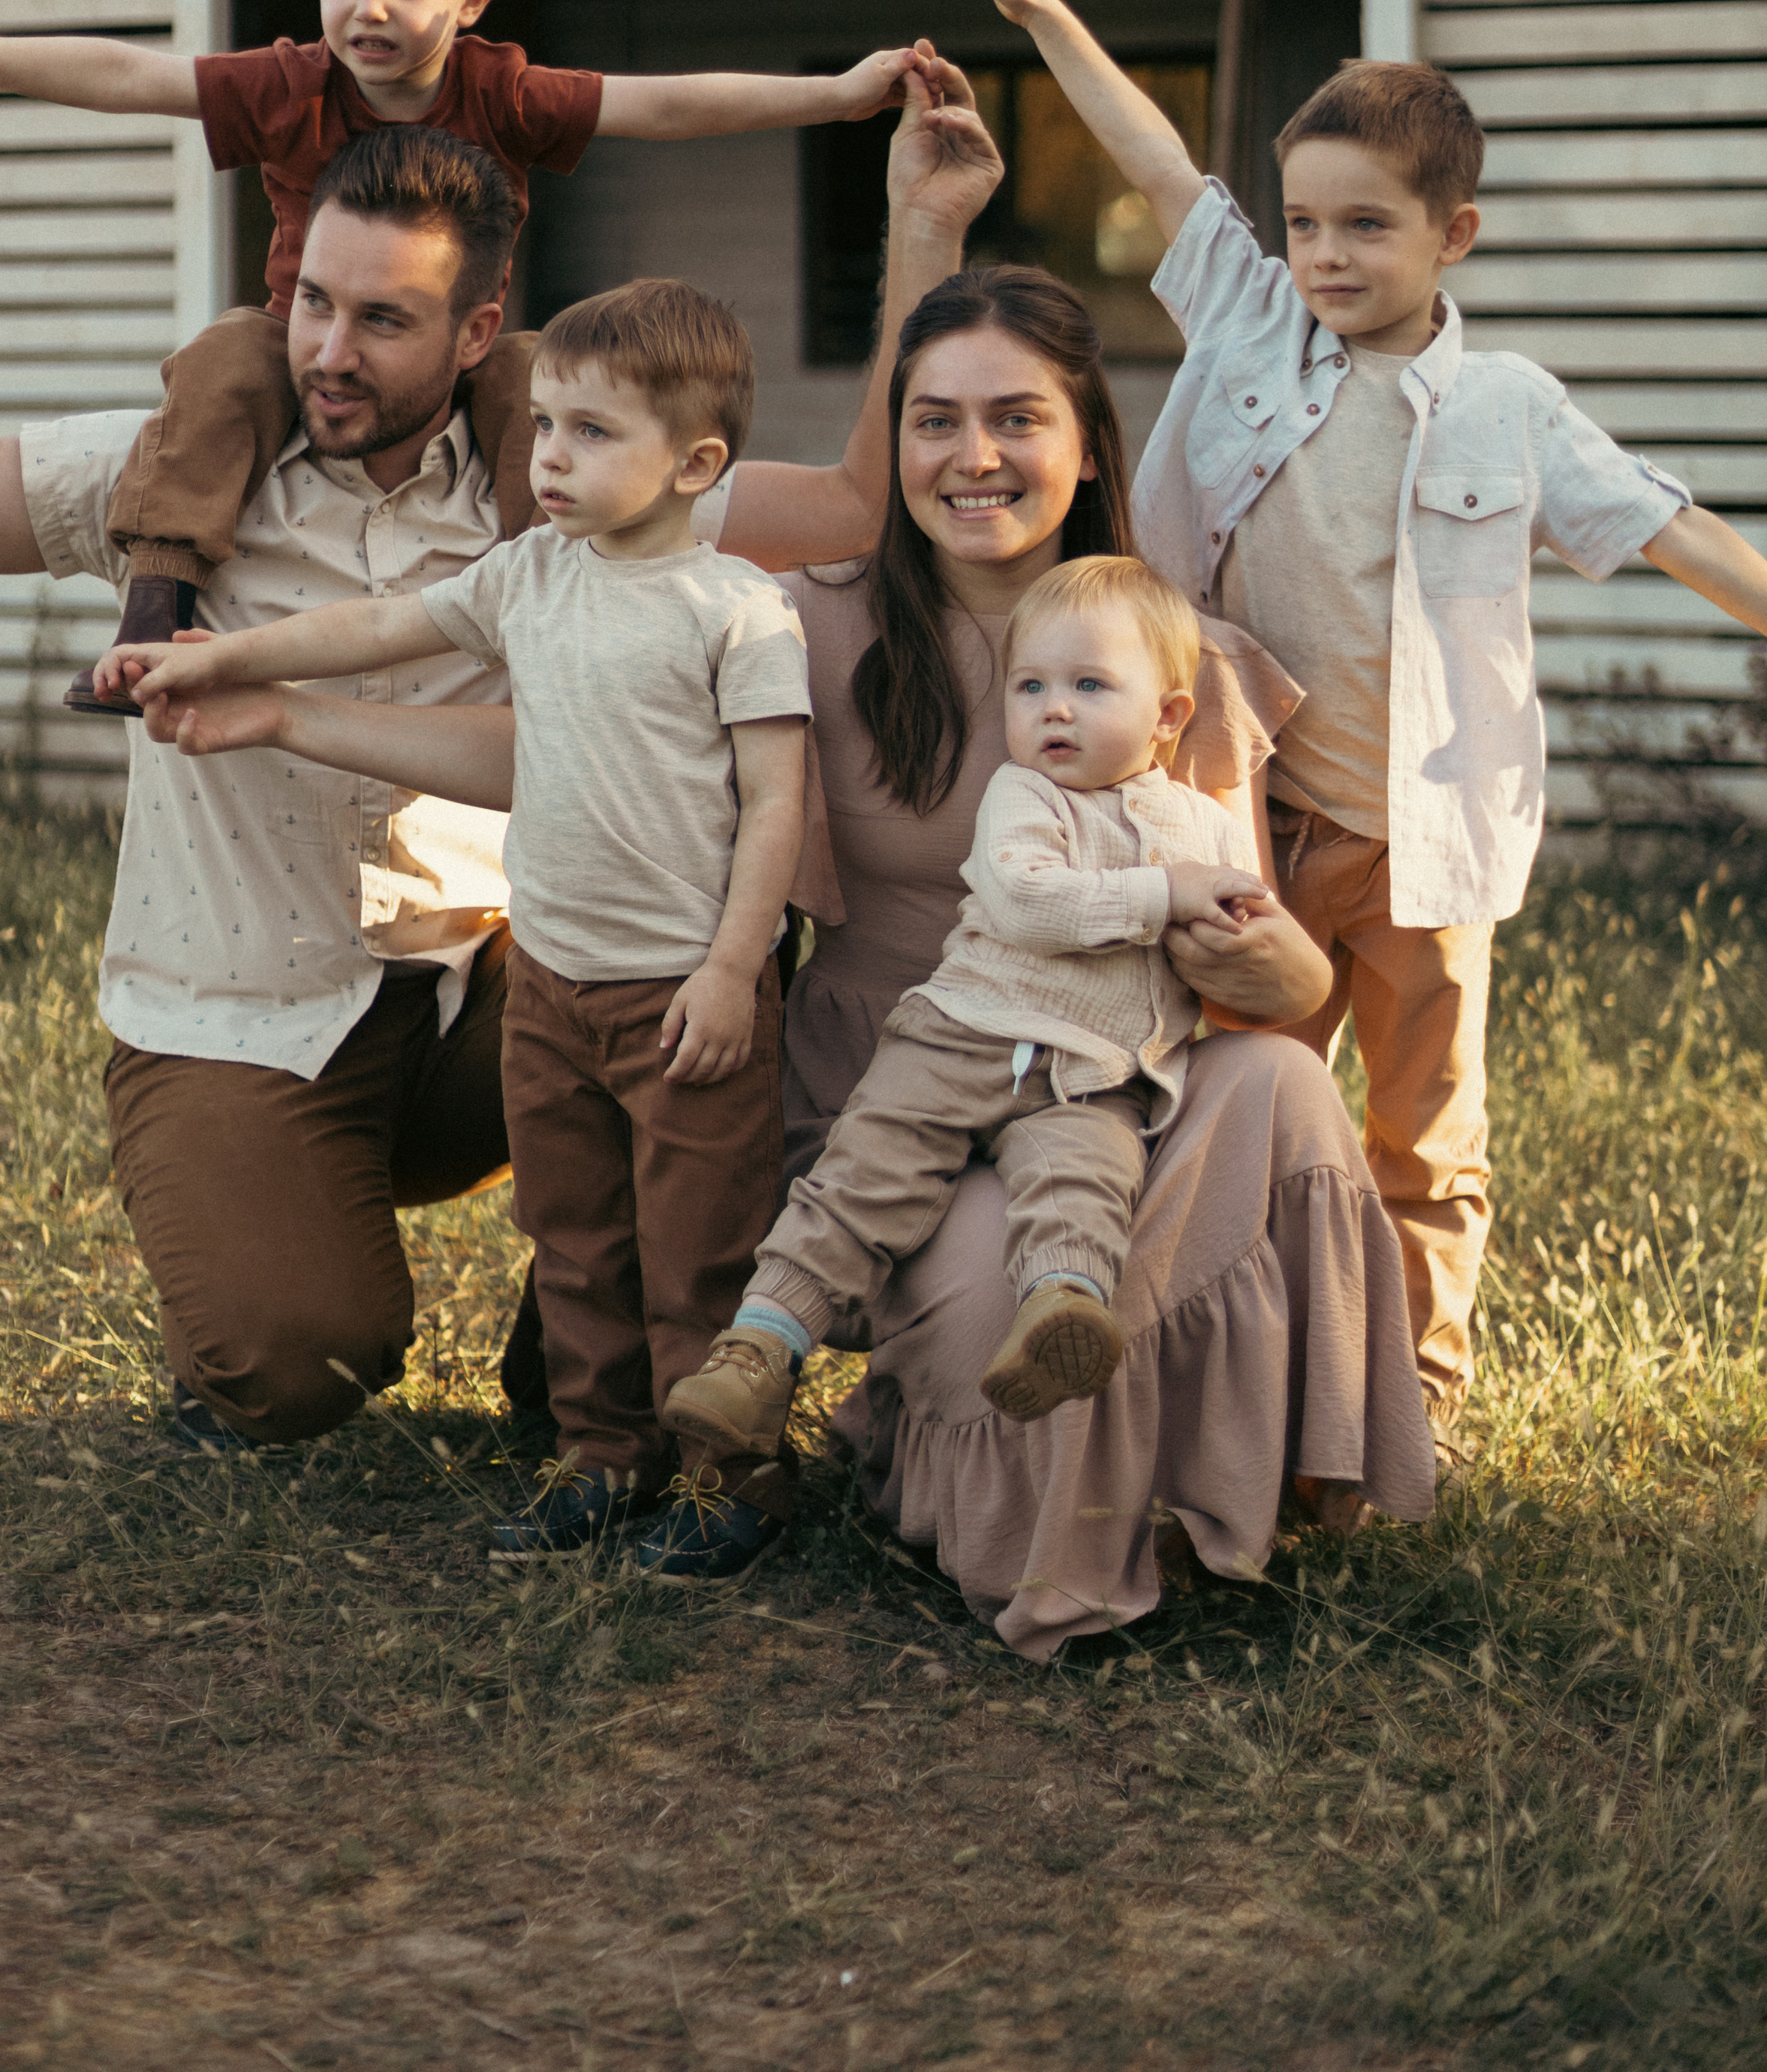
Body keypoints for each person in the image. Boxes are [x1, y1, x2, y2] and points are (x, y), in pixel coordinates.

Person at [0, 39, 1000, 1460]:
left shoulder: (567, 477)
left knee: (736, 943)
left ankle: (596, 1353)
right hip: (237, 1005)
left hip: (497, 1000)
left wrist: (924, 230)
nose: (329, 351)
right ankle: (262, 1225)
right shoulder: (171, 470)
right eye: (312, 303)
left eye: (383, 321)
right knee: (297, 1360)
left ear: (476, 330)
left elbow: (852, 506)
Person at [938, 0, 1767, 1454]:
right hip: (1235, 828)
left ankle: (1418, 1414)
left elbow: (1672, 530)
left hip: (1422, 842)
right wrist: (1040, 19)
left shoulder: (1508, 406)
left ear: (1451, 236)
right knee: (1223, 1105)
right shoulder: (1247, 321)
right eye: (1303, 220)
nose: (1320, 252)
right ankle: (1231, 1382)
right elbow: (1152, 162)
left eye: (1362, 226)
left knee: (1420, 1138)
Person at [757, 263, 1437, 1655]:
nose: (975, 456)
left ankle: (1244, 1479)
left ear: (1083, 445)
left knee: (1289, 1089)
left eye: (1017, 417)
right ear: (892, 444)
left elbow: (1283, 982)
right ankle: (1020, 1495)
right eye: (934, 420)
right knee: (1010, 1294)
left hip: (1116, 1093)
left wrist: (1274, 967)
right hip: (913, 1100)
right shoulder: (807, 627)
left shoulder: (1175, 660)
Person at [0, 0, 927, 705]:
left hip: (463, 373)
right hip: (283, 359)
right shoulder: (291, 83)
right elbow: (131, 76)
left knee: (536, 377)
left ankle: (550, 620)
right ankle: (160, 605)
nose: (367, 9)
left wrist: (834, 99)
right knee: (228, 356)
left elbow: (668, 101)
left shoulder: (503, 90)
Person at [112, 277, 815, 1584]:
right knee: (576, 1232)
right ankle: (601, 1458)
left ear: (698, 462)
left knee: (694, 1243)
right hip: (548, 981)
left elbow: (778, 804)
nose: (550, 458)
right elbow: (377, 624)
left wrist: (733, 968)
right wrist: (228, 658)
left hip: (683, 993)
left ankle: (735, 1476)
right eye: (545, 427)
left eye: (594, 434)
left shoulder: (738, 610)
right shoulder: (529, 575)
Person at [665, 555, 1269, 1453]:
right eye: (1031, 687)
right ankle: (759, 1348)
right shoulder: (1020, 797)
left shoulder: (1208, 829)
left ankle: (1059, 1314)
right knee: (864, 1179)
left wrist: (1241, 932)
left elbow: (1243, 930)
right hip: (959, 1037)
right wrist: (1165, 896)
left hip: (1093, 1074)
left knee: (1085, 1189)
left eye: (1089, 685)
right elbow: (1031, 900)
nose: (1053, 708)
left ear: (1169, 716)